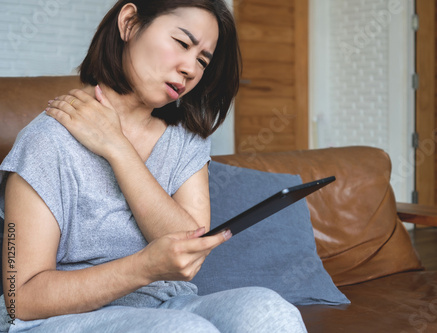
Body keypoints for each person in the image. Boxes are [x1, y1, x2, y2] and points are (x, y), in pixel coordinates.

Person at [0, 0, 307, 332]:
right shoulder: (47, 141)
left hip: (169, 303)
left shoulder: (185, 139)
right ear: (130, 23)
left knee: (271, 313)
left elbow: (187, 252)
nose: (190, 68)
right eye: (182, 43)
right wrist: (143, 268)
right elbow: (23, 299)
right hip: (63, 319)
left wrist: (117, 148)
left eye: (203, 60)